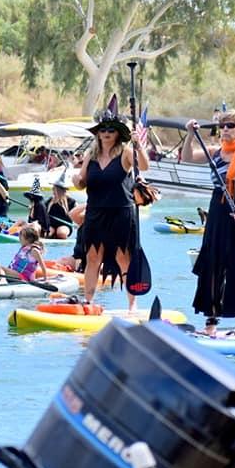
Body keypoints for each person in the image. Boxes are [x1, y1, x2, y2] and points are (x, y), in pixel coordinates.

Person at [182, 111, 235, 336]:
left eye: (231, 125)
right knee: (213, 264)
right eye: (223, 126)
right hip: (219, 211)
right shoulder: (214, 152)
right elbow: (187, 157)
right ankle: (210, 325)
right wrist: (190, 134)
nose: (226, 129)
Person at [73, 97, 149, 310]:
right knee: (92, 257)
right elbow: (81, 181)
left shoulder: (125, 153)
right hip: (96, 213)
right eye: (103, 129)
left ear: (118, 134)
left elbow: (144, 166)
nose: (106, 132)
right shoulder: (91, 155)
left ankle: (132, 305)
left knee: (123, 257)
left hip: (121, 214)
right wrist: (76, 181)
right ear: (98, 132)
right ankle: (88, 301)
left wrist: (138, 145)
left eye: (111, 129)